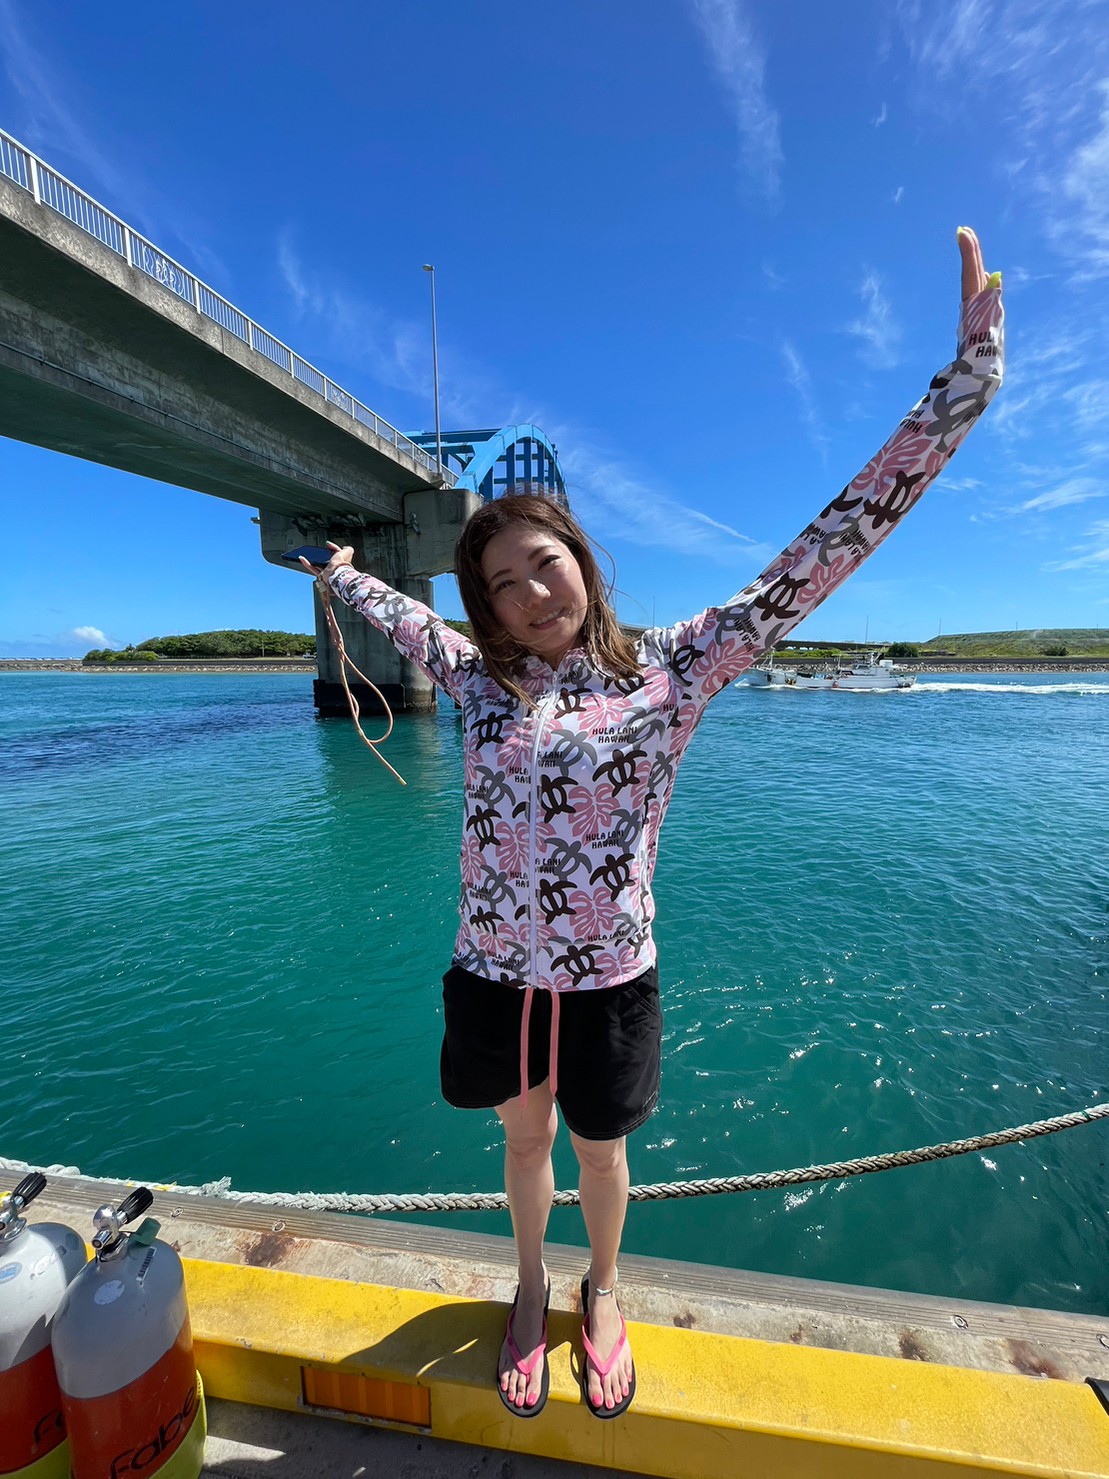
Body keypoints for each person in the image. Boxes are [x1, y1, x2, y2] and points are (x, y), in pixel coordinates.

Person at [305, 228, 1003, 1419]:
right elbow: (401, 615)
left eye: (542, 565)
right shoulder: (476, 680)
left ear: (580, 557)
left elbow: (818, 554)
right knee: (520, 1148)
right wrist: (338, 571)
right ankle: (530, 1286)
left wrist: (958, 394)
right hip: (492, 972)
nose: (528, 595)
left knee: (598, 1153)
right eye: (499, 585)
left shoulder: (672, 669)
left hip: (608, 978)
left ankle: (603, 1290)